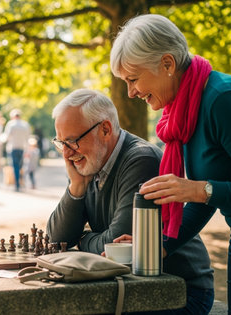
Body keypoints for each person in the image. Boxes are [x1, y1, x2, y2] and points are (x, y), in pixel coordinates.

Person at [110, 13, 231, 313]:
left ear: (167, 64)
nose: (131, 92)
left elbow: (204, 191)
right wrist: (160, 244)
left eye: (133, 79)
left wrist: (200, 190)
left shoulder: (222, 100)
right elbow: (202, 197)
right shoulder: (183, 112)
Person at [46, 89, 214, 314]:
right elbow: (56, 240)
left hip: (179, 291)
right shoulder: (87, 162)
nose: (66, 154)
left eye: (72, 141)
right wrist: (76, 188)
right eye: (61, 143)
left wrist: (82, 239)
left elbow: (118, 250)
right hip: (131, 285)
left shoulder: (141, 160)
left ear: (105, 129)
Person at [2, 109, 31, 191]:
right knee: (21, 166)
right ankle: (21, 182)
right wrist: (27, 150)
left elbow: (6, 137)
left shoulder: (11, 124)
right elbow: (28, 138)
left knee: (15, 166)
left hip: (13, 148)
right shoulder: (25, 125)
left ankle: (17, 184)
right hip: (22, 148)